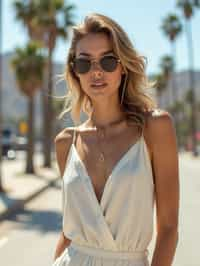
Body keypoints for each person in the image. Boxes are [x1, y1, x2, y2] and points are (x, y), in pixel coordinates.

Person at [52, 13, 179, 266]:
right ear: (75, 71)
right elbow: (68, 233)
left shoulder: (155, 128)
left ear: (122, 66)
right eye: (85, 63)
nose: (96, 72)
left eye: (107, 61)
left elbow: (168, 228)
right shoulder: (66, 142)